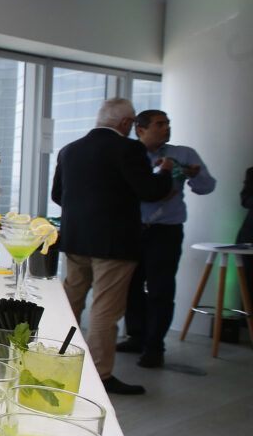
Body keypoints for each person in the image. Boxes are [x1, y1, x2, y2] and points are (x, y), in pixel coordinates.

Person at [52, 98, 174, 395]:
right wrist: (166, 172)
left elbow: (58, 195)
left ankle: (55, 359)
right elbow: (150, 190)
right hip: (114, 243)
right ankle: (99, 375)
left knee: (71, 300)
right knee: (105, 310)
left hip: (76, 238)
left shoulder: (70, 150)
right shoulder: (129, 149)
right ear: (126, 124)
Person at [119, 110, 215, 368]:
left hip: (166, 230)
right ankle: (136, 336)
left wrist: (195, 176)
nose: (166, 129)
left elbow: (207, 187)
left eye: (168, 124)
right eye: (159, 125)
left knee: (161, 288)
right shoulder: (129, 154)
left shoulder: (183, 154)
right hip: (133, 229)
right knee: (131, 285)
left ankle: (154, 346)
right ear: (140, 129)